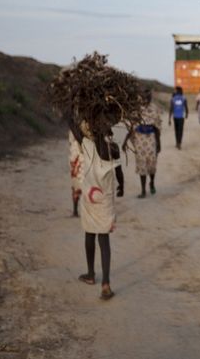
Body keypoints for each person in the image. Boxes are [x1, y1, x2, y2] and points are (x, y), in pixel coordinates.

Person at [71, 120, 124, 301]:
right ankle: (106, 283)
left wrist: (69, 108)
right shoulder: (113, 148)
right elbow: (119, 173)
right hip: (105, 200)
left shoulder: (85, 144)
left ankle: (91, 274)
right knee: (104, 240)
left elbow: (73, 124)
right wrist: (122, 187)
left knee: (89, 235)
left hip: (89, 198)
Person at [123, 89, 161, 198]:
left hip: (151, 140)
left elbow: (157, 128)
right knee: (142, 165)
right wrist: (125, 141)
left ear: (150, 97)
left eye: (148, 97)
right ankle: (143, 190)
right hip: (139, 140)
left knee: (152, 164)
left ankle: (152, 182)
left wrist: (159, 144)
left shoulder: (154, 109)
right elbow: (132, 127)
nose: (146, 99)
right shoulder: (136, 110)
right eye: (144, 97)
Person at [68, 129, 82, 217]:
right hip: (80, 159)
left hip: (78, 160)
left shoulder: (73, 130)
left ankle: (75, 211)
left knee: (76, 186)